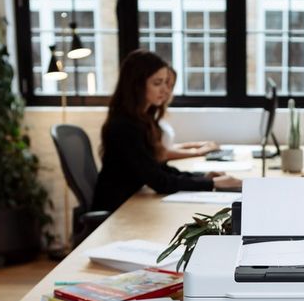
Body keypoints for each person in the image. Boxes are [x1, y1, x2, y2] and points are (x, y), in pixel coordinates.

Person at [93, 50, 241, 213]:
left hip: (134, 201)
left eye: (166, 83)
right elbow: (159, 181)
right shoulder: (123, 126)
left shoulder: (145, 120)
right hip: (117, 209)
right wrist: (213, 184)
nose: (165, 90)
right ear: (136, 85)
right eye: (157, 83)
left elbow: (161, 169)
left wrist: (203, 176)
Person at [157, 66, 220, 162]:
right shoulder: (147, 116)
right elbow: (160, 152)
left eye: (171, 86)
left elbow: (166, 146)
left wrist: (197, 145)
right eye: (160, 83)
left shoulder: (157, 112)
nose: (167, 91)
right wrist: (198, 152)